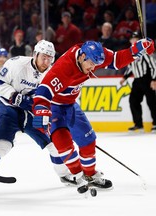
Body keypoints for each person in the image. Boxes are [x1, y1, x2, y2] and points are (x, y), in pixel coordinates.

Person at [32, 38, 155, 194]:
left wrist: (138, 49)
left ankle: (90, 175)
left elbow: (118, 60)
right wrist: (41, 112)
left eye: (96, 65)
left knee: (88, 141)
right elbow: (43, 93)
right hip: (54, 106)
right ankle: (77, 175)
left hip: (70, 104)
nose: (92, 68)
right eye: (90, 64)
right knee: (63, 144)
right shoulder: (64, 67)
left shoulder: (96, 54)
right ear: (82, 56)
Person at [0, 40, 68, 196]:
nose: (46, 62)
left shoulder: (52, 73)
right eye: (43, 57)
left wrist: (48, 111)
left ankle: (65, 175)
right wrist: (15, 97)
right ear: (35, 54)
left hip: (31, 111)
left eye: (50, 58)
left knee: (53, 142)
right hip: (7, 107)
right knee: (2, 145)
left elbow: (53, 97)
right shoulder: (16, 64)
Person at [120, 32, 156, 133]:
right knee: (133, 101)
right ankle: (138, 124)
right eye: (132, 39)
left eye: (136, 39)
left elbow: (153, 65)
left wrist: (154, 79)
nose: (134, 41)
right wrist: (125, 77)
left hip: (147, 79)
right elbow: (130, 67)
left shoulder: (145, 51)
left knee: (151, 101)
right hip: (137, 80)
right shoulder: (131, 52)